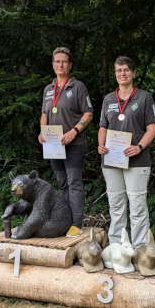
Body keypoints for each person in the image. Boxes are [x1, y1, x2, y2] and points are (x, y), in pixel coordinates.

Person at [98, 56, 155, 249]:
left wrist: (139, 147)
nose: (122, 73)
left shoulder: (144, 97)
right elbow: (103, 128)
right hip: (112, 160)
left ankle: (140, 248)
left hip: (137, 160)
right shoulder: (108, 99)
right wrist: (101, 145)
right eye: (118, 70)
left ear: (133, 73)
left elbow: (152, 128)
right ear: (115, 74)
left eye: (126, 70)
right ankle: (117, 247)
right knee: (115, 206)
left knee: (138, 206)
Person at [38, 47, 93, 237]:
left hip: (73, 144)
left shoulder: (78, 87)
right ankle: (65, 220)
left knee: (74, 182)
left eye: (64, 62)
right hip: (53, 145)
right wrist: (42, 132)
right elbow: (44, 114)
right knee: (62, 183)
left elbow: (88, 113)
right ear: (53, 65)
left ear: (70, 65)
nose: (60, 65)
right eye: (57, 61)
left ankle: (76, 223)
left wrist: (74, 131)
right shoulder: (48, 89)